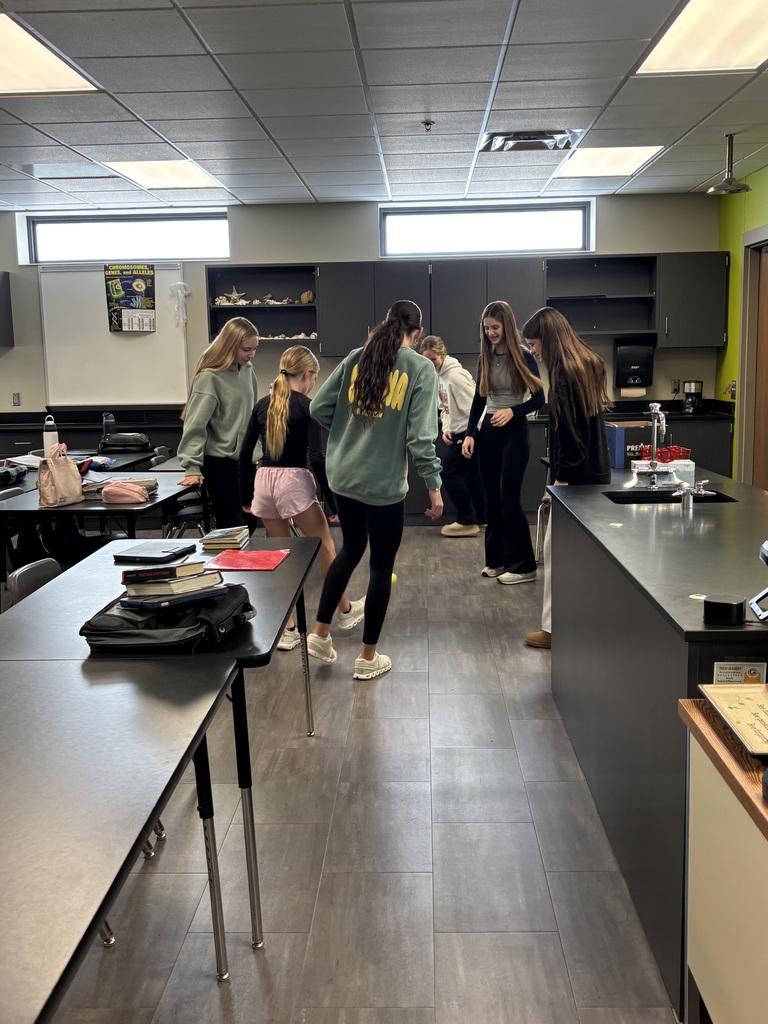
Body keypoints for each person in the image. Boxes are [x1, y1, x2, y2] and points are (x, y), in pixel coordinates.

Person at [306, 299, 444, 680]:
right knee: (381, 568)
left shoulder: (357, 356)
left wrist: (348, 433)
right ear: (416, 334)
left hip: (344, 476)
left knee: (350, 548)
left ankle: (319, 634)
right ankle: (367, 658)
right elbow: (420, 438)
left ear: (386, 325)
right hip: (382, 483)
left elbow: (318, 407)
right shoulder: (420, 368)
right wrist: (434, 486)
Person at [239, 345, 363, 650]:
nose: (313, 383)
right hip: (293, 481)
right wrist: (334, 504)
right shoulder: (308, 407)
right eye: (314, 378)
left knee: (280, 557)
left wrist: (245, 496)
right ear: (308, 374)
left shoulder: (262, 404)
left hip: (264, 481)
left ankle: (288, 630)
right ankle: (344, 611)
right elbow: (318, 457)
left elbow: (243, 455)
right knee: (326, 548)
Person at [520, 307, 611, 648]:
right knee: (584, 559)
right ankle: (585, 625)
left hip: (575, 482)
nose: (534, 351)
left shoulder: (563, 374)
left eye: (534, 343)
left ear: (549, 340)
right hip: (596, 477)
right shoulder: (586, 364)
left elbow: (571, 436)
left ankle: (553, 630)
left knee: (555, 555)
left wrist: (559, 483)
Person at [461, 300, 544, 584]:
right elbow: (479, 399)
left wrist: (512, 411)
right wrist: (471, 432)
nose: (490, 333)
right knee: (492, 501)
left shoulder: (523, 355)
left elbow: (539, 399)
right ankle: (496, 561)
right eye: (486, 328)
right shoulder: (485, 355)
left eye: (495, 327)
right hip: (489, 433)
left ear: (506, 325)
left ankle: (524, 566)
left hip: (515, 431)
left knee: (509, 499)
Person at [177, 316, 258, 529]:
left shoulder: (248, 371)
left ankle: (247, 563)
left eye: (254, 349)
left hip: (245, 460)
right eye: (246, 349)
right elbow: (195, 425)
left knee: (249, 523)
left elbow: (252, 415)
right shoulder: (209, 377)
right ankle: (229, 563)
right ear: (230, 346)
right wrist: (192, 467)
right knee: (232, 527)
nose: (251, 355)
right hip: (220, 462)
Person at [416, 334, 486, 537]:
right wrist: (447, 428)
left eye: (433, 360)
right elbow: (445, 407)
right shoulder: (439, 375)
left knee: (448, 474)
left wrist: (470, 435)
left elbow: (476, 408)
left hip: (469, 433)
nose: (429, 364)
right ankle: (482, 519)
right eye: (425, 360)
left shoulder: (455, 376)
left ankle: (466, 520)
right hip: (458, 432)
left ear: (443, 355)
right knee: (473, 479)